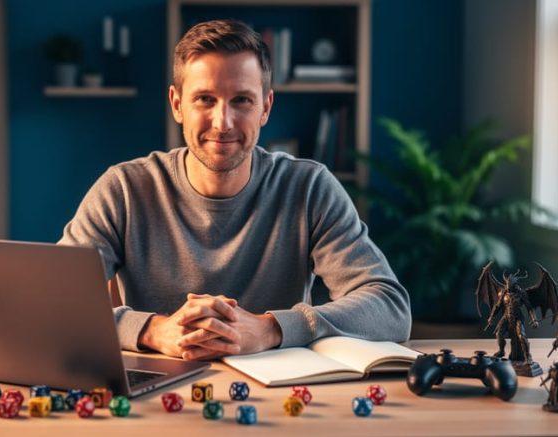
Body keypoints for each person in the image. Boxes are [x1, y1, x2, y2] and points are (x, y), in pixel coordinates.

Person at [58, 19, 411, 361]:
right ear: (177, 104)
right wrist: (152, 330)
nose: (222, 122)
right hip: (157, 394)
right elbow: (52, 301)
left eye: (241, 100)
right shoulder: (124, 189)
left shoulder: (308, 188)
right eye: (205, 99)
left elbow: (389, 307)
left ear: (266, 107)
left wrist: (271, 328)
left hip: (280, 400)